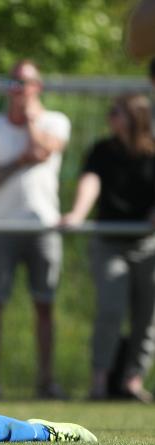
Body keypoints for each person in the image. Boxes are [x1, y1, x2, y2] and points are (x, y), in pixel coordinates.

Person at [0, 60, 71, 400]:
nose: (18, 89)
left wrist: (29, 121)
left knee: (45, 304)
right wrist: (19, 160)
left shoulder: (55, 121)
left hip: (43, 225)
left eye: (24, 82)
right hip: (0, 226)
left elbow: (42, 151)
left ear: (37, 86)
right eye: (13, 82)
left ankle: (46, 380)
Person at [61, 94, 155, 403]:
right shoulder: (102, 150)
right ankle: (99, 381)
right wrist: (77, 213)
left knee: (147, 314)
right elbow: (91, 182)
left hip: (147, 243)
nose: (110, 116)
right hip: (109, 241)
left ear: (135, 117)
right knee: (111, 309)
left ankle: (133, 380)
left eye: (117, 112)